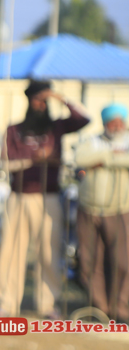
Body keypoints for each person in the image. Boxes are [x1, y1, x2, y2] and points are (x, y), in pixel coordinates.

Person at [0, 81, 89, 318]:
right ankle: (7, 302)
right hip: (19, 196)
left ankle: (48, 303)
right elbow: (6, 162)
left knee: (49, 251)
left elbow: (84, 119)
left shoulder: (56, 127)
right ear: (29, 101)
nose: (41, 105)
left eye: (45, 101)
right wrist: (34, 160)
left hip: (49, 197)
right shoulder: (14, 130)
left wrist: (61, 98)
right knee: (11, 251)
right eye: (37, 99)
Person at [74, 103, 129, 323]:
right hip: (89, 208)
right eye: (111, 122)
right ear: (105, 123)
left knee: (122, 262)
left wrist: (100, 161)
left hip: (120, 209)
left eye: (119, 122)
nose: (116, 126)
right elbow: (80, 158)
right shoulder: (92, 141)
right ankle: (99, 308)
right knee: (90, 261)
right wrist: (112, 155)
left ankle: (120, 309)